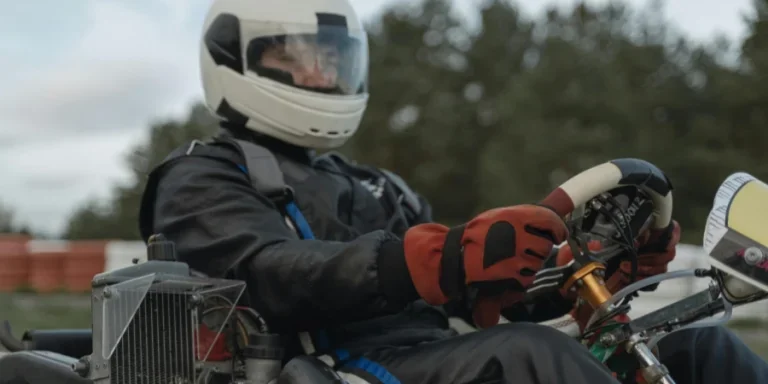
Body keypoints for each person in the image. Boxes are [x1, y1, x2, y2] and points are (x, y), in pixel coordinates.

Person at [138, 0, 768, 383]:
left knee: (701, 349)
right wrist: (423, 258)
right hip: (327, 367)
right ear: (236, 60)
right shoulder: (203, 175)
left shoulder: (373, 183)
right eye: (301, 57)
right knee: (526, 357)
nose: (323, 72)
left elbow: (479, 297)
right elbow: (265, 275)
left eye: (332, 56)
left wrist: (586, 270)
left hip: (433, 356)